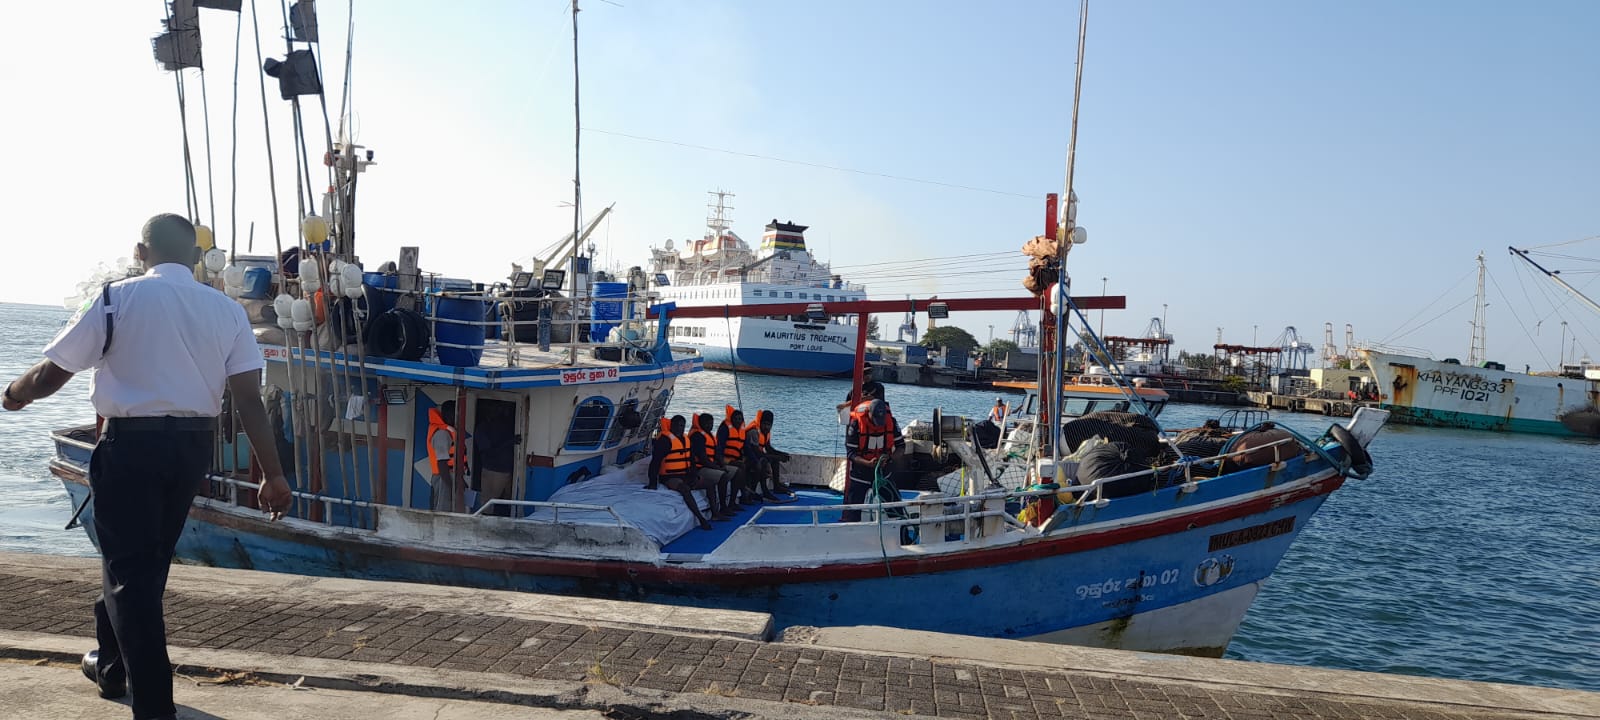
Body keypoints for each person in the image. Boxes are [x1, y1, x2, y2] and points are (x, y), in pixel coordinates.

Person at [1, 213, 293, 720]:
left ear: (141, 252)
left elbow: (53, 373)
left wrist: (13, 394)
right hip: (191, 449)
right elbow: (249, 399)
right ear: (197, 257)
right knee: (143, 565)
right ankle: (112, 666)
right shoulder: (227, 311)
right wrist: (273, 474)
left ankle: (155, 705)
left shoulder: (116, 298)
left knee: (130, 571)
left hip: (130, 447)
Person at [843, 387, 900, 522]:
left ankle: (901, 530)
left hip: (883, 474)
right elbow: (850, 453)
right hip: (860, 474)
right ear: (869, 414)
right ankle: (852, 528)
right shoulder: (856, 425)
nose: (878, 424)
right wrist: (867, 463)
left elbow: (901, 447)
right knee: (853, 512)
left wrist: (889, 458)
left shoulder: (891, 422)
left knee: (896, 508)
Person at [649, 415, 712, 530]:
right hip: (669, 477)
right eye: (677, 426)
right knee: (685, 489)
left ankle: (716, 513)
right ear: (671, 426)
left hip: (685, 474)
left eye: (682, 426)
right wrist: (652, 483)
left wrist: (694, 475)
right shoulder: (664, 441)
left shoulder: (686, 440)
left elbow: (691, 460)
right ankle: (701, 518)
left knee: (709, 483)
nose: (680, 428)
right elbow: (655, 462)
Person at [688, 412, 738, 519]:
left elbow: (717, 454)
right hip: (700, 468)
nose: (710, 426)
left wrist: (722, 465)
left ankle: (732, 503)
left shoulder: (710, 435)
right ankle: (723, 507)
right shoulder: (698, 437)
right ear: (701, 423)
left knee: (737, 471)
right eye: (707, 424)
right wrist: (719, 469)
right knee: (723, 475)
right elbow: (703, 459)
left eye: (711, 424)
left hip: (710, 466)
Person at [474, 403, 516, 516]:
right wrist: (510, 442)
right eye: (497, 409)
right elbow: (488, 452)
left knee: (508, 504)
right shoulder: (482, 429)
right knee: (488, 505)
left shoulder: (505, 426)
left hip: (507, 470)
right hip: (492, 471)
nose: (500, 411)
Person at [426, 400, 467, 512]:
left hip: (450, 478)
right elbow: (442, 464)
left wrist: (460, 480)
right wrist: (452, 486)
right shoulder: (442, 434)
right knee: (442, 513)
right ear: (451, 415)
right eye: (457, 414)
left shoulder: (448, 432)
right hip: (443, 479)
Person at [716, 405, 759, 505]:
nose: (738, 421)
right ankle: (741, 496)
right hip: (724, 458)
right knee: (741, 467)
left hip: (736, 458)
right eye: (735, 419)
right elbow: (720, 448)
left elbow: (747, 449)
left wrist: (756, 461)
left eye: (740, 419)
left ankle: (750, 493)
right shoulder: (725, 429)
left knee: (754, 464)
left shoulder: (742, 431)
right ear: (731, 419)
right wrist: (722, 463)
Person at [746, 410, 794, 496]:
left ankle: (776, 486)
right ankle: (765, 490)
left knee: (774, 460)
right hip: (749, 458)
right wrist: (777, 457)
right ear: (760, 422)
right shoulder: (754, 432)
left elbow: (768, 448)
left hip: (758, 457)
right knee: (764, 461)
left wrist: (781, 454)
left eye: (769, 425)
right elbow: (757, 453)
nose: (766, 427)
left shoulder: (766, 433)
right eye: (764, 424)